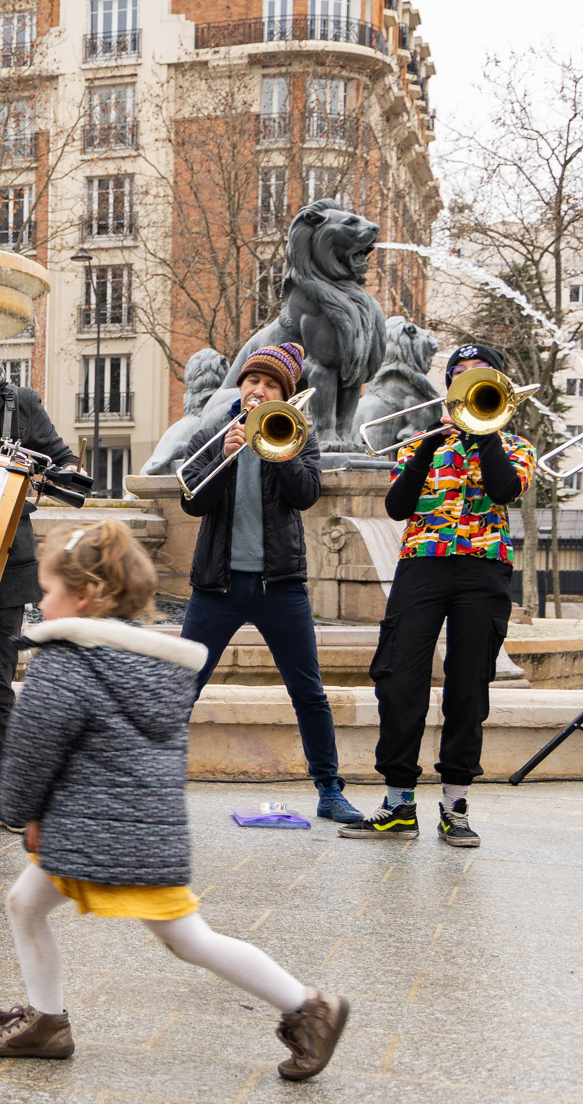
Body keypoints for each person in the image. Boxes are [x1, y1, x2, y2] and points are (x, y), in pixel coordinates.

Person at [0, 520, 348, 1080]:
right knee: (27, 904)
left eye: (48, 590)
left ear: (87, 596)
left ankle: (309, 1005)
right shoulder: (156, 667)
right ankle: (46, 1021)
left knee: (189, 938)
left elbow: (29, 752)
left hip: (95, 834)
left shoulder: (64, 662)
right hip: (141, 833)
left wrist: (23, 810)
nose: (40, 600)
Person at [340, 341, 534, 847]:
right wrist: (427, 447)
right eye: (459, 374)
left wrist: (485, 431)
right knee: (400, 680)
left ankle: (455, 803)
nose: (467, 380)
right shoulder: (417, 444)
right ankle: (399, 802)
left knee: (469, 688)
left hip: (484, 569)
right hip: (421, 567)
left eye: (480, 374)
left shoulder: (515, 447)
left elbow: (502, 490)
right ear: (448, 386)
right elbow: (398, 506)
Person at [176, 343, 361, 824]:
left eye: (271, 385)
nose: (259, 390)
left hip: (279, 587)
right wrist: (227, 453)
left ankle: (329, 789)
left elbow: (306, 494)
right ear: (241, 386)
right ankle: (149, 784)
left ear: (285, 394)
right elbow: (191, 500)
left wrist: (277, 448)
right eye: (253, 381)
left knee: (309, 692)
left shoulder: (298, 434)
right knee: (180, 689)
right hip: (217, 587)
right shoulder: (215, 431)